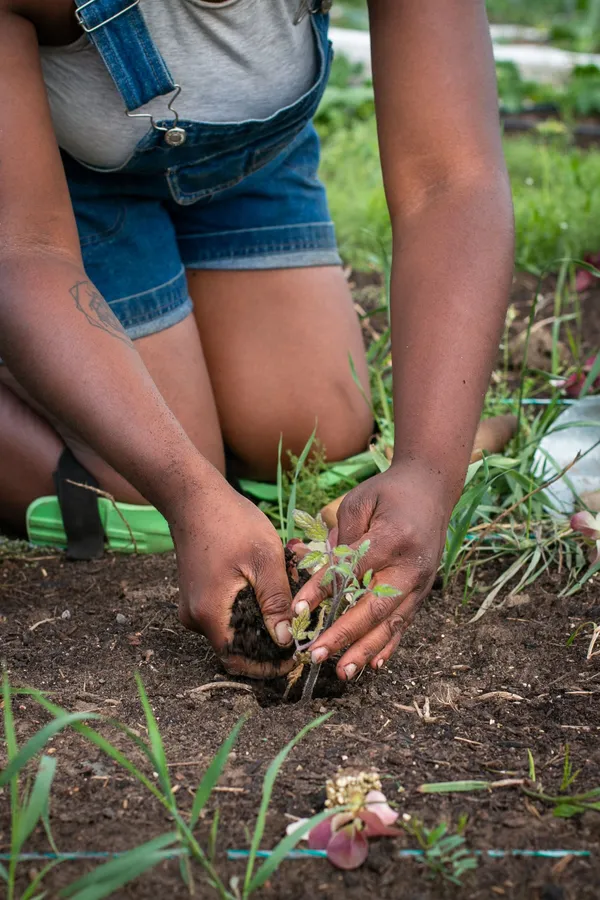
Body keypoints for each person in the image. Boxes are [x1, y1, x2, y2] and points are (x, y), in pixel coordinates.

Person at [0, 0, 514, 680]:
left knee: (308, 432)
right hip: (50, 185)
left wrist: (429, 471)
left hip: (246, 166)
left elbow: (453, 180)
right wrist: (187, 492)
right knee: (139, 478)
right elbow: (27, 250)